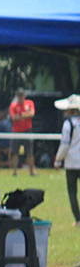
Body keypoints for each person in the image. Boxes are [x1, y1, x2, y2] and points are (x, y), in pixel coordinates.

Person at [53, 94, 80, 225]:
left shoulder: (68, 124)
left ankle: (78, 219)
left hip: (72, 164)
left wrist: (58, 159)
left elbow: (64, 144)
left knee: (72, 192)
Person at [9, 88, 37, 177]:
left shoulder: (29, 103)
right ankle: (14, 171)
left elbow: (32, 114)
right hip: (16, 132)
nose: (20, 97)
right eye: (19, 95)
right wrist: (25, 114)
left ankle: (32, 171)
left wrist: (20, 115)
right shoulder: (13, 105)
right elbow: (13, 118)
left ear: (24, 95)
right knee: (15, 152)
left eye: (22, 95)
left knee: (29, 152)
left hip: (27, 131)